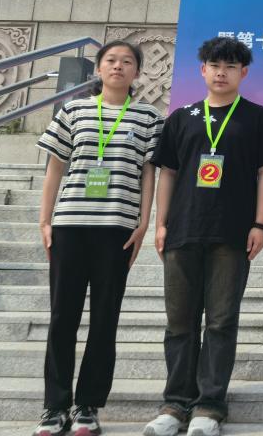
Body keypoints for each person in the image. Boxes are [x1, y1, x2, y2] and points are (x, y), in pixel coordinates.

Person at [143, 37, 263, 436]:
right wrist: (160, 223)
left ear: (244, 72)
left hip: (232, 233)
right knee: (179, 322)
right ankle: (175, 403)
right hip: (183, 230)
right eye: (215, 65)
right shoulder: (181, 118)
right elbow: (168, 172)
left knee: (221, 321)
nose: (222, 73)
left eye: (230, 66)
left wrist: (260, 224)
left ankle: (210, 405)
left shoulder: (258, 118)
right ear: (202, 70)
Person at [34, 41, 163, 436]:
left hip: (117, 229)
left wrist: (143, 223)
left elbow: (149, 173)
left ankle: (88, 405)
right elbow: (55, 168)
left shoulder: (148, 117)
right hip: (70, 225)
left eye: (127, 62)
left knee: (105, 318)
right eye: (111, 60)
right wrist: (45, 220)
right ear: (99, 68)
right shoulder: (74, 110)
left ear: (137, 71)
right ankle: (54, 406)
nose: (118, 67)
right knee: (63, 317)